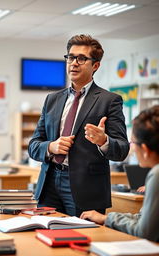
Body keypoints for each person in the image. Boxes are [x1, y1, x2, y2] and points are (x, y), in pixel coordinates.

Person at [28, 34, 129, 217]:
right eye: (71, 57)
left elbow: (122, 150)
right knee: (45, 237)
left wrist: (103, 141)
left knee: (81, 240)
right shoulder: (52, 100)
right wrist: (51, 146)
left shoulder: (110, 100)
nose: (74, 63)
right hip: (49, 183)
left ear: (95, 65)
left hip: (87, 190)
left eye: (81, 58)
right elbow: (33, 145)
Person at [80, 105, 159, 242]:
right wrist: (107, 218)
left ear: (145, 149)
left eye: (133, 142)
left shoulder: (156, 175)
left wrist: (108, 219)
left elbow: (144, 231)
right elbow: (145, 220)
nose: (132, 147)